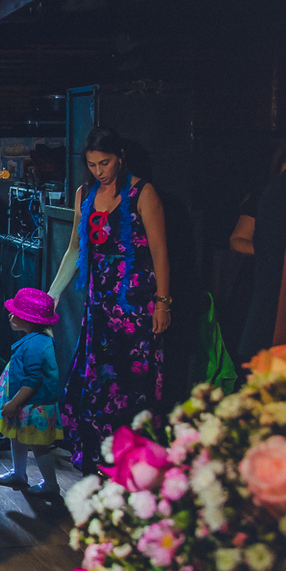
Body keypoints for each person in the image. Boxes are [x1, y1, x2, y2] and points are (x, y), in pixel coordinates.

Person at [49, 127, 171, 474]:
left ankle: (132, 459)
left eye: (105, 163)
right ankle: (100, 455)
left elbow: (160, 251)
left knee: (131, 380)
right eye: (92, 164)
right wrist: (53, 293)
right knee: (99, 378)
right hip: (99, 301)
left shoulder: (142, 192)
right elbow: (75, 249)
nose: (99, 171)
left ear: (120, 156)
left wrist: (163, 302)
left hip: (135, 301)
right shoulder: (85, 193)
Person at [0, 288, 62, 494]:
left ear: (30, 320)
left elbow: (33, 380)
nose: (10, 316)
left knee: (38, 445)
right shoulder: (37, 340)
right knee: (17, 436)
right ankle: (19, 473)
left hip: (32, 405)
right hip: (25, 404)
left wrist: (14, 403)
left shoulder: (34, 345)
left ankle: (51, 485)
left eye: (16, 313)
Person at [236, 143, 286, 362]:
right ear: (280, 166)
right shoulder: (267, 196)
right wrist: (270, 250)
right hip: (260, 277)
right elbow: (236, 240)